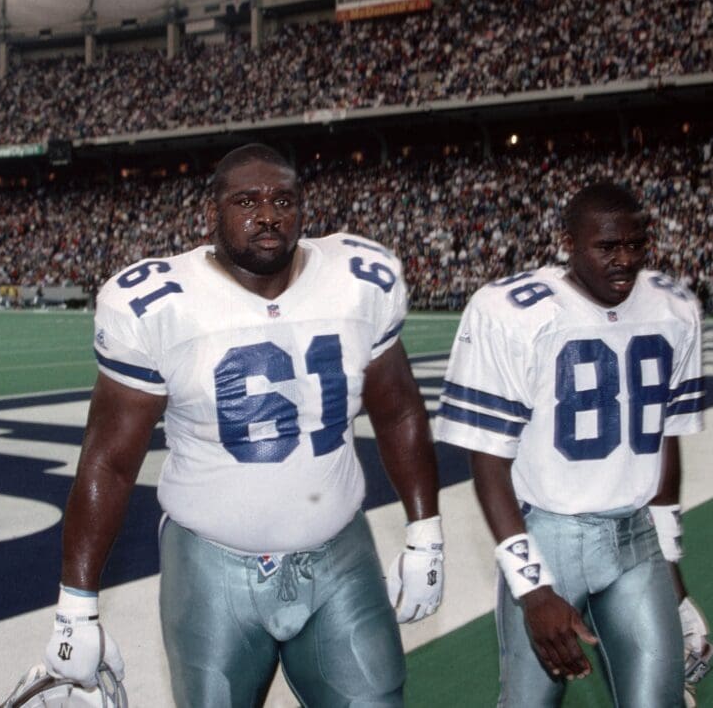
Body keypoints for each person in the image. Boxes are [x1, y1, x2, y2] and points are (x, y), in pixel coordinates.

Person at [41, 143, 444, 706]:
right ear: (215, 212)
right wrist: (76, 606)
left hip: (339, 555)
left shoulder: (358, 278)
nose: (268, 215)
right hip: (211, 567)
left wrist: (426, 533)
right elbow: (109, 459)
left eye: (283, 200)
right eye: (247, 201)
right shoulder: (157, 303)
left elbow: (399, 408)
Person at [434, 182, 713, 707]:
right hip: (551, 537)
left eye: (636, 245)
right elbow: (488, 462)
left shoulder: (674, 307)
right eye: (607, 247)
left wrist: (673, 570)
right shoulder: (513, 312)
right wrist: (533, 588)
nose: (625, 261)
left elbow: (663, 442)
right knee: (529, 704)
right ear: (567, 240)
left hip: (636, 539)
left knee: (660, 700)